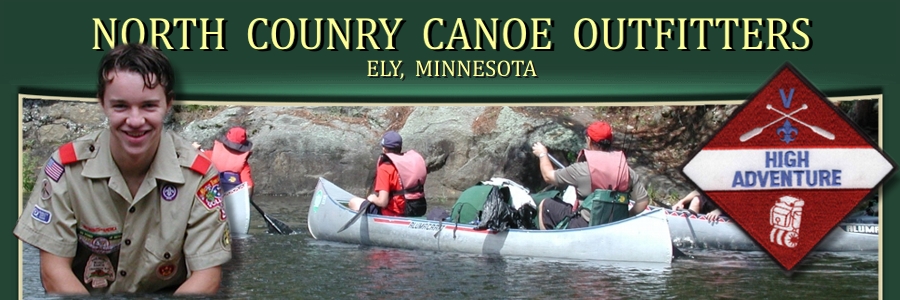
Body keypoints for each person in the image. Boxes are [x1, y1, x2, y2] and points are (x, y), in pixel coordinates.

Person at [13, 44, 231, 295]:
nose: (135, 120)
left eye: (149, 106)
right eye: (120, 106)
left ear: (168, 104)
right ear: (102, 103)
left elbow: (207, 277)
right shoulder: (65, 169)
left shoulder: (200, 176)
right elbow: (54, 273)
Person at [531, 121, 650, 230]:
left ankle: (551, 246)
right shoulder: (626, 171)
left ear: (589, 140)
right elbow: (643, 202)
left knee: (546, 205)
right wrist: (625, 217)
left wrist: (542, 154)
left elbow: (549, 176)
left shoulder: (581, 169)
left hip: (585, 226)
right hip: (614, 227)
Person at [348, 130, 428, 217]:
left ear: (384, 148)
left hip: (393, 214)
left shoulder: (385, 168)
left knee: (353, 202)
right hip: (413, 210)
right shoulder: (408, 164)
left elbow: (383, 202)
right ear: (399, 147)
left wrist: (373, 198)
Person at [194, 126, 254, 194]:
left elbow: (195, 161)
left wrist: (194, 149)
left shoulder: (210, 154)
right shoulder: (244, 165)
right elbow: (249, 186)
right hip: (231, 196)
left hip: (211, 194)